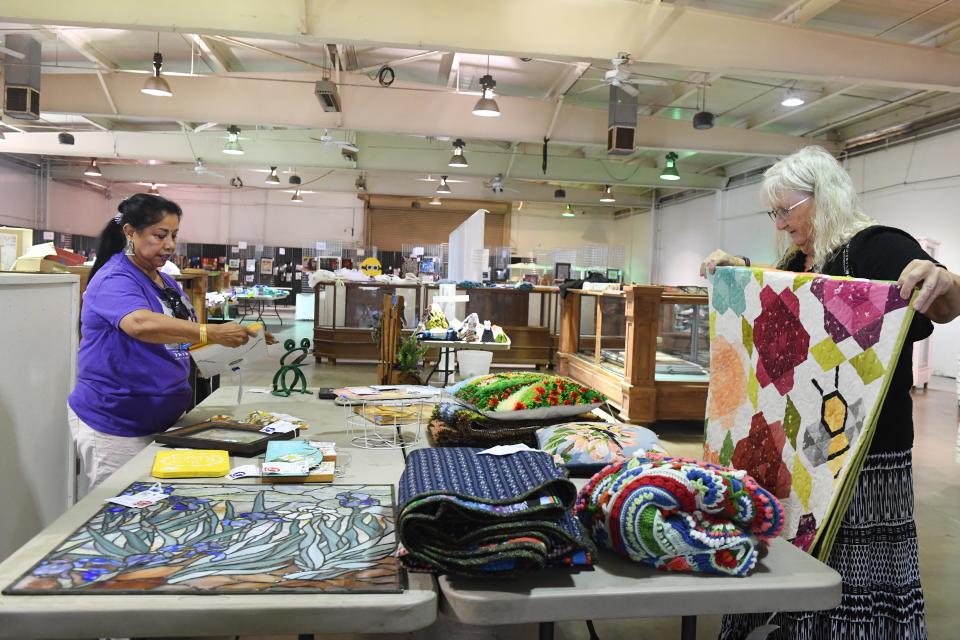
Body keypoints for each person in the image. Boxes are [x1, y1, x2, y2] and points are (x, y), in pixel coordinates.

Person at [700, 146, 960, 640]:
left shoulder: (878, 246)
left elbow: (946, 304)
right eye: (773, 212)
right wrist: (740, 275)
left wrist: (943, 278)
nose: (779, 223)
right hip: (795, 450)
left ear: (822, 196)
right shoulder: (800, 257)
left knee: (850, 574)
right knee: (791, 555)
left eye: (785, 210)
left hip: (862, 452)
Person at [68, 194, 261, 489]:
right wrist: (210, 332)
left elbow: (179, 339)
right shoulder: (114, 278)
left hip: (167, 420)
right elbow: (139, 324)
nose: (170, 244)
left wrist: (240, 338)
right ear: (130, 232)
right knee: (121, 509)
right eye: (160, 235)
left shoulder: (164, 282)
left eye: (174, 235)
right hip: (117, 424)